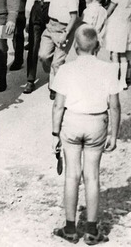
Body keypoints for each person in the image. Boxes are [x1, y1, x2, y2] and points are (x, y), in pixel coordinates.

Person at [51, 25, 121, 246]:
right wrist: (114, 134)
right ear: (97, 46)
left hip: (72, 122)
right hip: (96, 123)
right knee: (92, 176)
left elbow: (58, 106)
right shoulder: (109, 69)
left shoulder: (65, 69)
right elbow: (115, 106)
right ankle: (91, 231)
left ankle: (70, 229)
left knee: (72, 175)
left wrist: (55, 133)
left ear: (75, 46)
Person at [39, 0, 80, 100]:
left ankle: (55, 87)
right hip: (50, 26)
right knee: (43, 56)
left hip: (63, 29)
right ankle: (53, 74)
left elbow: (74, 18)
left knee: (57, 62)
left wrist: (66, 33)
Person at [23, 0, 58, 94]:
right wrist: (27, 19)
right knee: (33, 46)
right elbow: (30, 1)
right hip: (36, 12)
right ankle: (30, 80)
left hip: (51, 12)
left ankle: (53, 82)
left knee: (51, 47)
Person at [104, 0, 131, 87]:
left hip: (116, 27)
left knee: (114, 54)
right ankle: (123, 81)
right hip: (126, 26)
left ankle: (115, 79)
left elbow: (109, 12)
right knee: (123, 54)